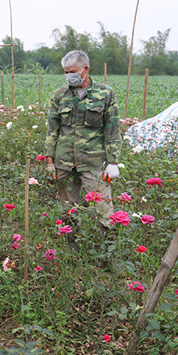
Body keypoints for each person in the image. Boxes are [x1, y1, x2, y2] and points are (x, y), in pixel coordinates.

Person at [44, 50, 121, 229]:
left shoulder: (105, 94)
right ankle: (72, 247)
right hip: (64, 162)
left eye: (72, 72)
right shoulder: (59, 95)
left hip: (92, 162)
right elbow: (52, 130)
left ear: (85, 69)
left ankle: (107, 247)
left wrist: (113, 161)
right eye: (66, 72)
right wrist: (49, 160)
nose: (68, 76)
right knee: (68, 210)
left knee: (103, 209)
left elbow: (113, 131)